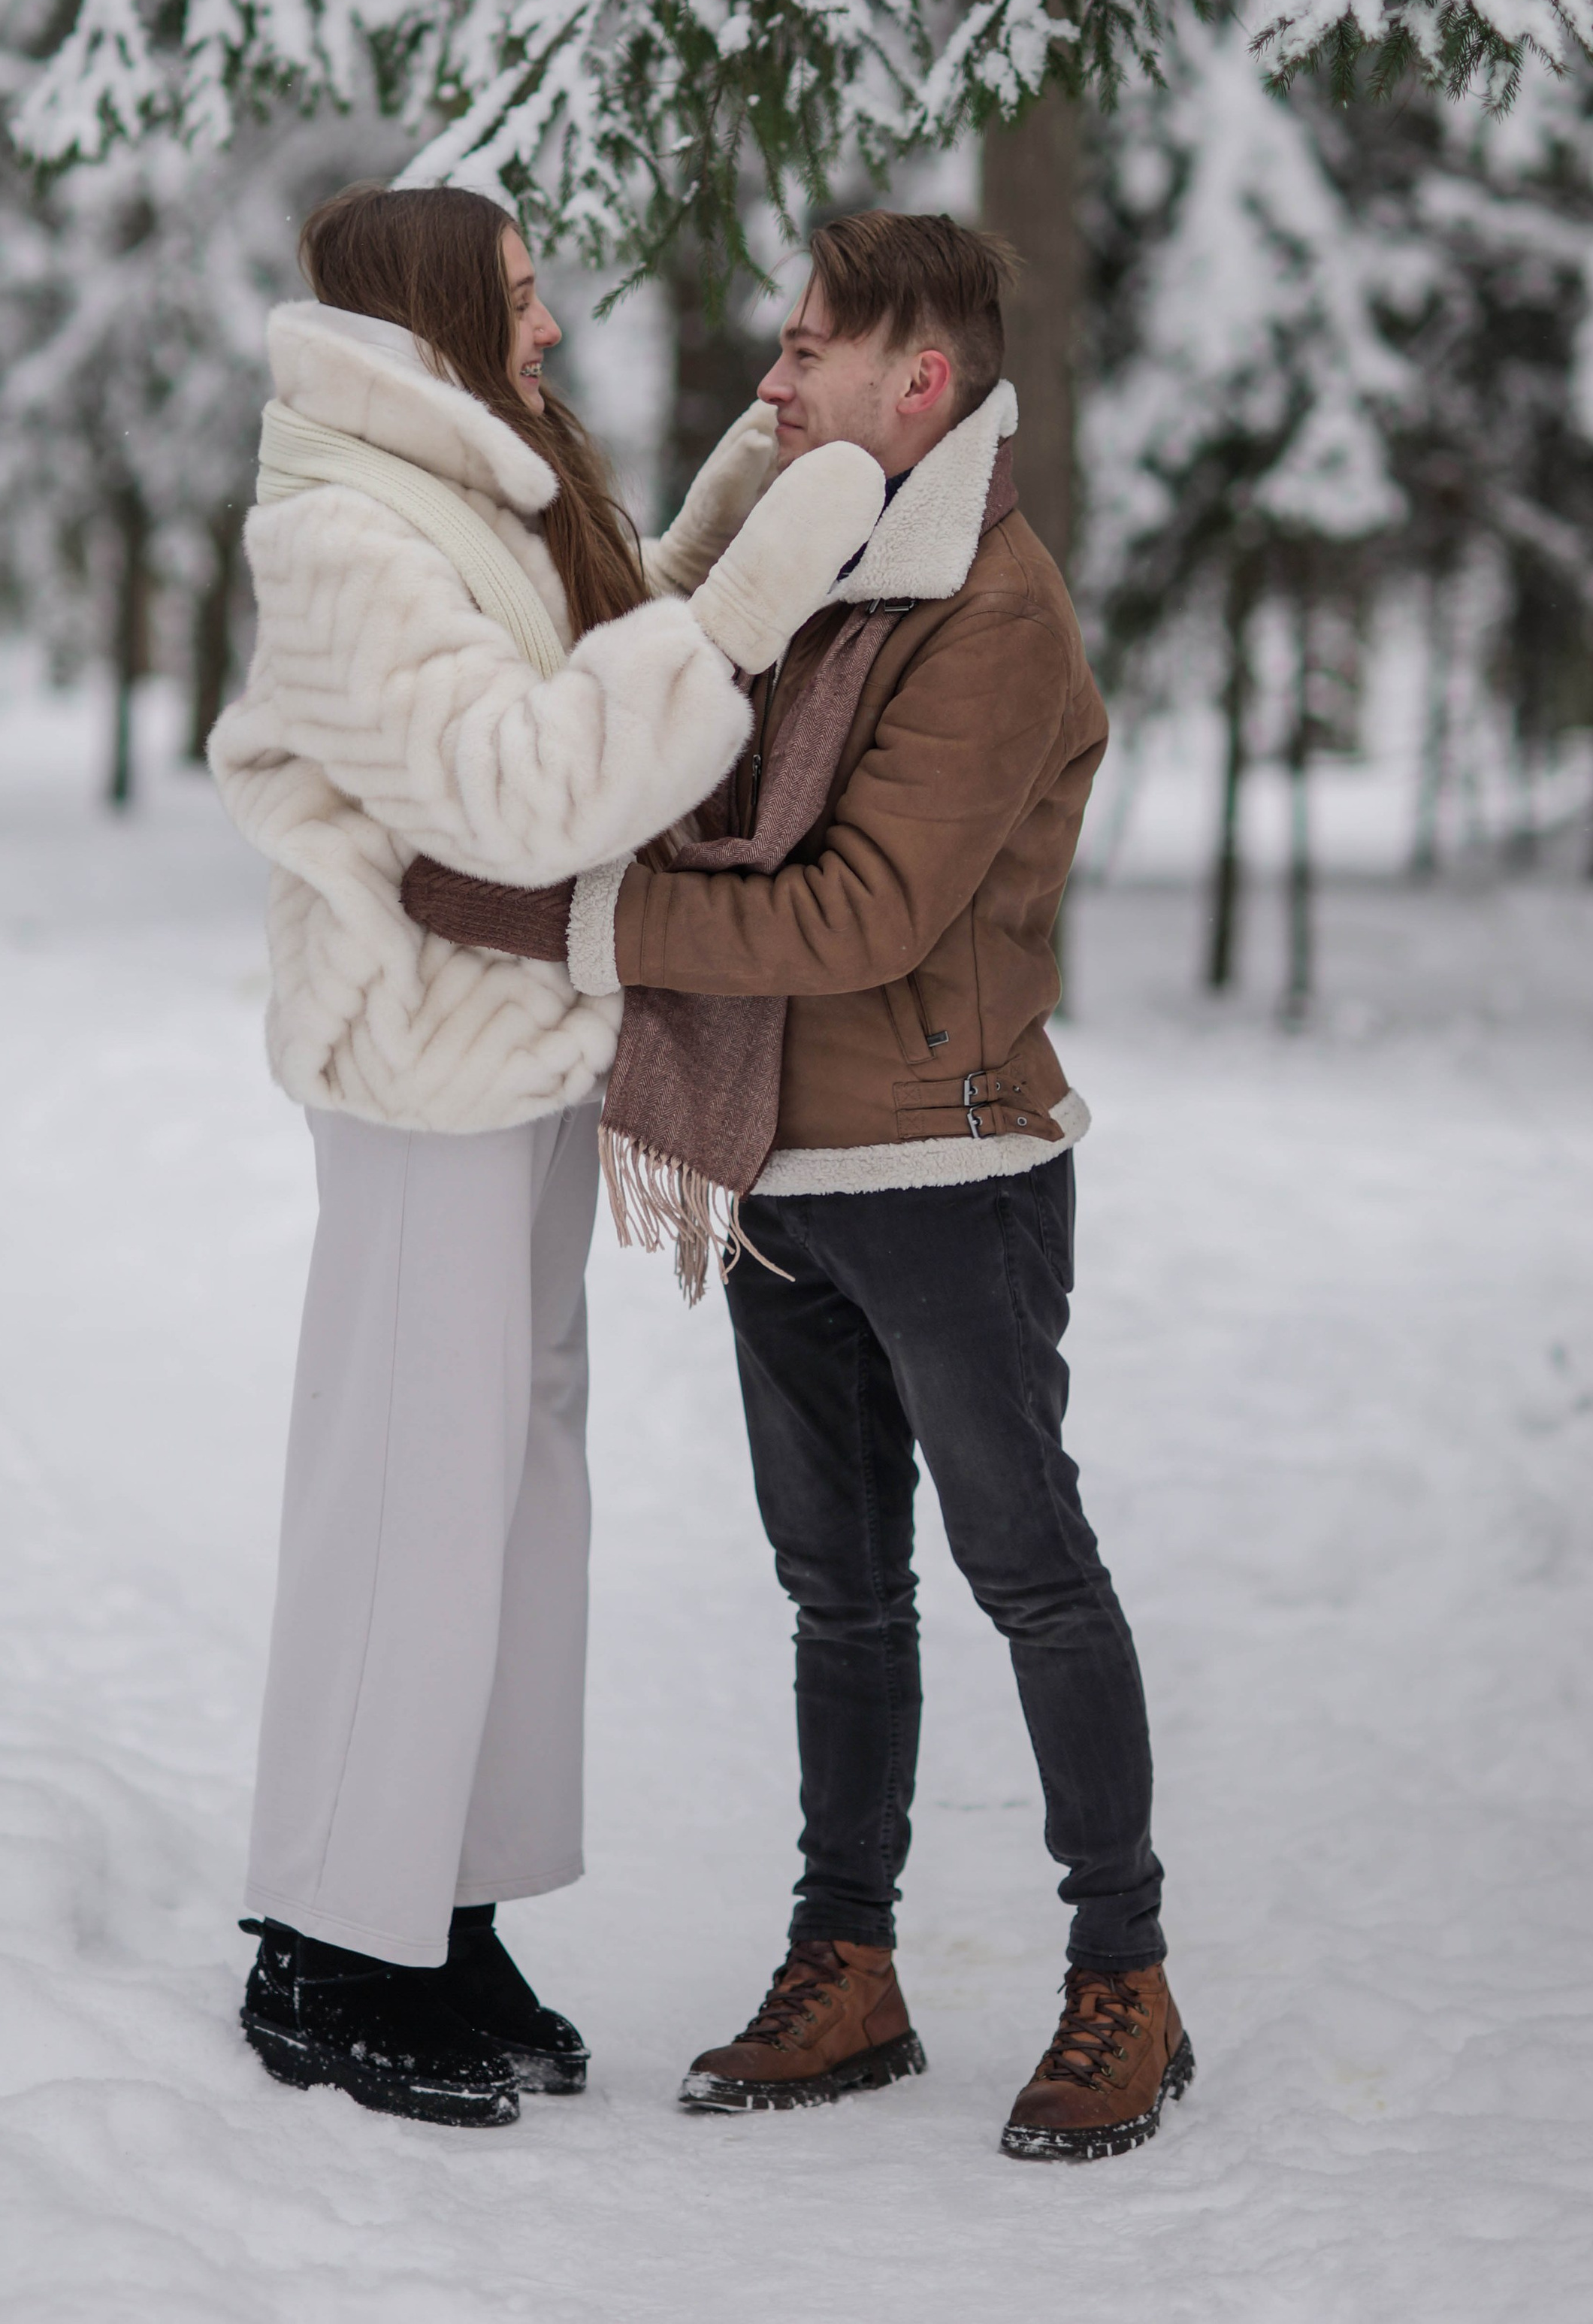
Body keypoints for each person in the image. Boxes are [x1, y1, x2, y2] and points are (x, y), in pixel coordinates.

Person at [403, 209, 1190, 2162]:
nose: (775, 378)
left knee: (1029, 1573)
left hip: (950, 1167)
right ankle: (851, 1966)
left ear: (921, 384)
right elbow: (672, 732)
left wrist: (573, 919)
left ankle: (1129, 1979)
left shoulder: (989, 615)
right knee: (839, 1597)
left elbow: (855, 915)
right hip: (777, 1167)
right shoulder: (821, 569)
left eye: (813, 351)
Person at [208, 181, 885, 2129]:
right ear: (425, 314)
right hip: (419, 1060)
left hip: (514, 1058)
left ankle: (450, 1897)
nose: (553, 326)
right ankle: (327, 1945)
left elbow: (589, 675)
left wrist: (739, 503)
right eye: (516, 297)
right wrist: (755, 601)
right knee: (412, 1486)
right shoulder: (346, 531)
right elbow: (526, 789)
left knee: (514, 1494)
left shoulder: (467, 496)